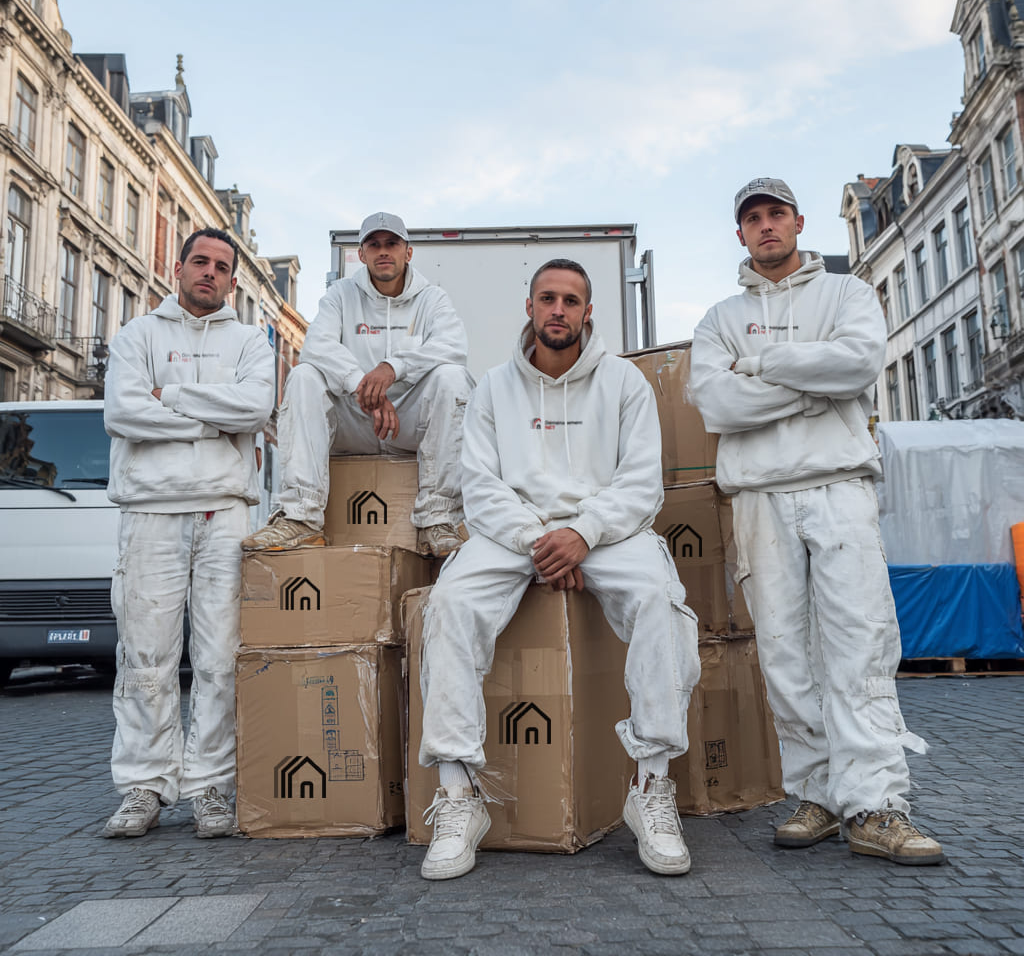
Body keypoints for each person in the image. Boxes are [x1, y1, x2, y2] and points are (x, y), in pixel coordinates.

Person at [417, 259, 701, 880]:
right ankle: (459, 795)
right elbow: (480, 486)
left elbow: (641, 484)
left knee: (662, 601)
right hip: (513, 532)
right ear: (530, 306)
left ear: (588, 311)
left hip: (605, 531)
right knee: (448, 606)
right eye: (548, 298)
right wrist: (539, 541)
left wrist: (582, 533)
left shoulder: (625, 384)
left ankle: (651, 786)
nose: (558, 310)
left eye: (571, 301)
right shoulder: (493, 386)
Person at [690, 178, 943, 865]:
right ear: (738, 234)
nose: (767, 226)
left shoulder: (848, 294)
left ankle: (877, 805)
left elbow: (859, 362)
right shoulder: (718, 318)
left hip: (838, 485)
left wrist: (765, 364)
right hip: (759, 496)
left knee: (858, 643)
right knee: (784, 652)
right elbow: (718, 407)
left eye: (777, 214)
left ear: (798, 222)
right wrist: (813, 390)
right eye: (753, 219)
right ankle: (820, 796)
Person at [102, 228, 276, 839]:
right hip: (150, 510)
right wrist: (212, 422)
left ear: (233, 280)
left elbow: (254, 409)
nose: (209, 272)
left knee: (218, 658)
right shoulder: (138, 334)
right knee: (144, 655)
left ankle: (210, 789)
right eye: (199, 261)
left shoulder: (253, 341)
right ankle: (144, 787)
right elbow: (122, 411)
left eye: (221, 266)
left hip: (224, 512)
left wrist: (169, 398)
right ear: (178, 268)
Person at [242, 212, 473, 557]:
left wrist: (392, 368)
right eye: (374, 245)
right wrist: (364, 389)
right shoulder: (341, 294)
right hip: (355, 423)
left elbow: (453, 346)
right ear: (361, 255)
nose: (383, 252)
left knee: (452, 377)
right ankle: (301, 518)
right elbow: (316, 346)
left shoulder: (432, 299)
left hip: (408, 424)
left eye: (392, 244)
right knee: (305, 375)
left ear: (407, 252)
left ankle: (438, 520)